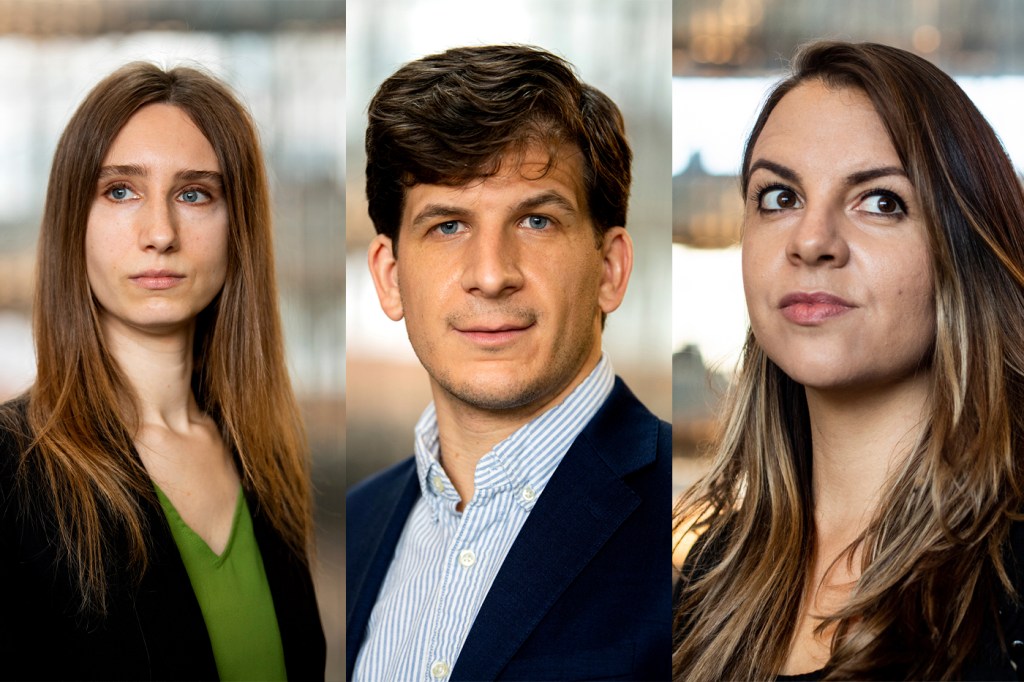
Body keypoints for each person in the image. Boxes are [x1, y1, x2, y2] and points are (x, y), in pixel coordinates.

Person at [673, 40, 1024, 681]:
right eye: (779, 198)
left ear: (965, 247)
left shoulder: (1013, 584)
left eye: (881, 202)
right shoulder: (706, 579)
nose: (811, 240)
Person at [346, 44, 671, 681]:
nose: (491, 275)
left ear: (610, 269)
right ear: (390, 278)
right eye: (448, 226)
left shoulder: (691, 526)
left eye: (536, 220)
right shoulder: (357, 526)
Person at [0, 63, 325, 680]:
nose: (160, 233)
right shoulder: (13, 468)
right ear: (75, 223)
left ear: (239, 228)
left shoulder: (265, 456)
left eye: (194, 194)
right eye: (120, 191)